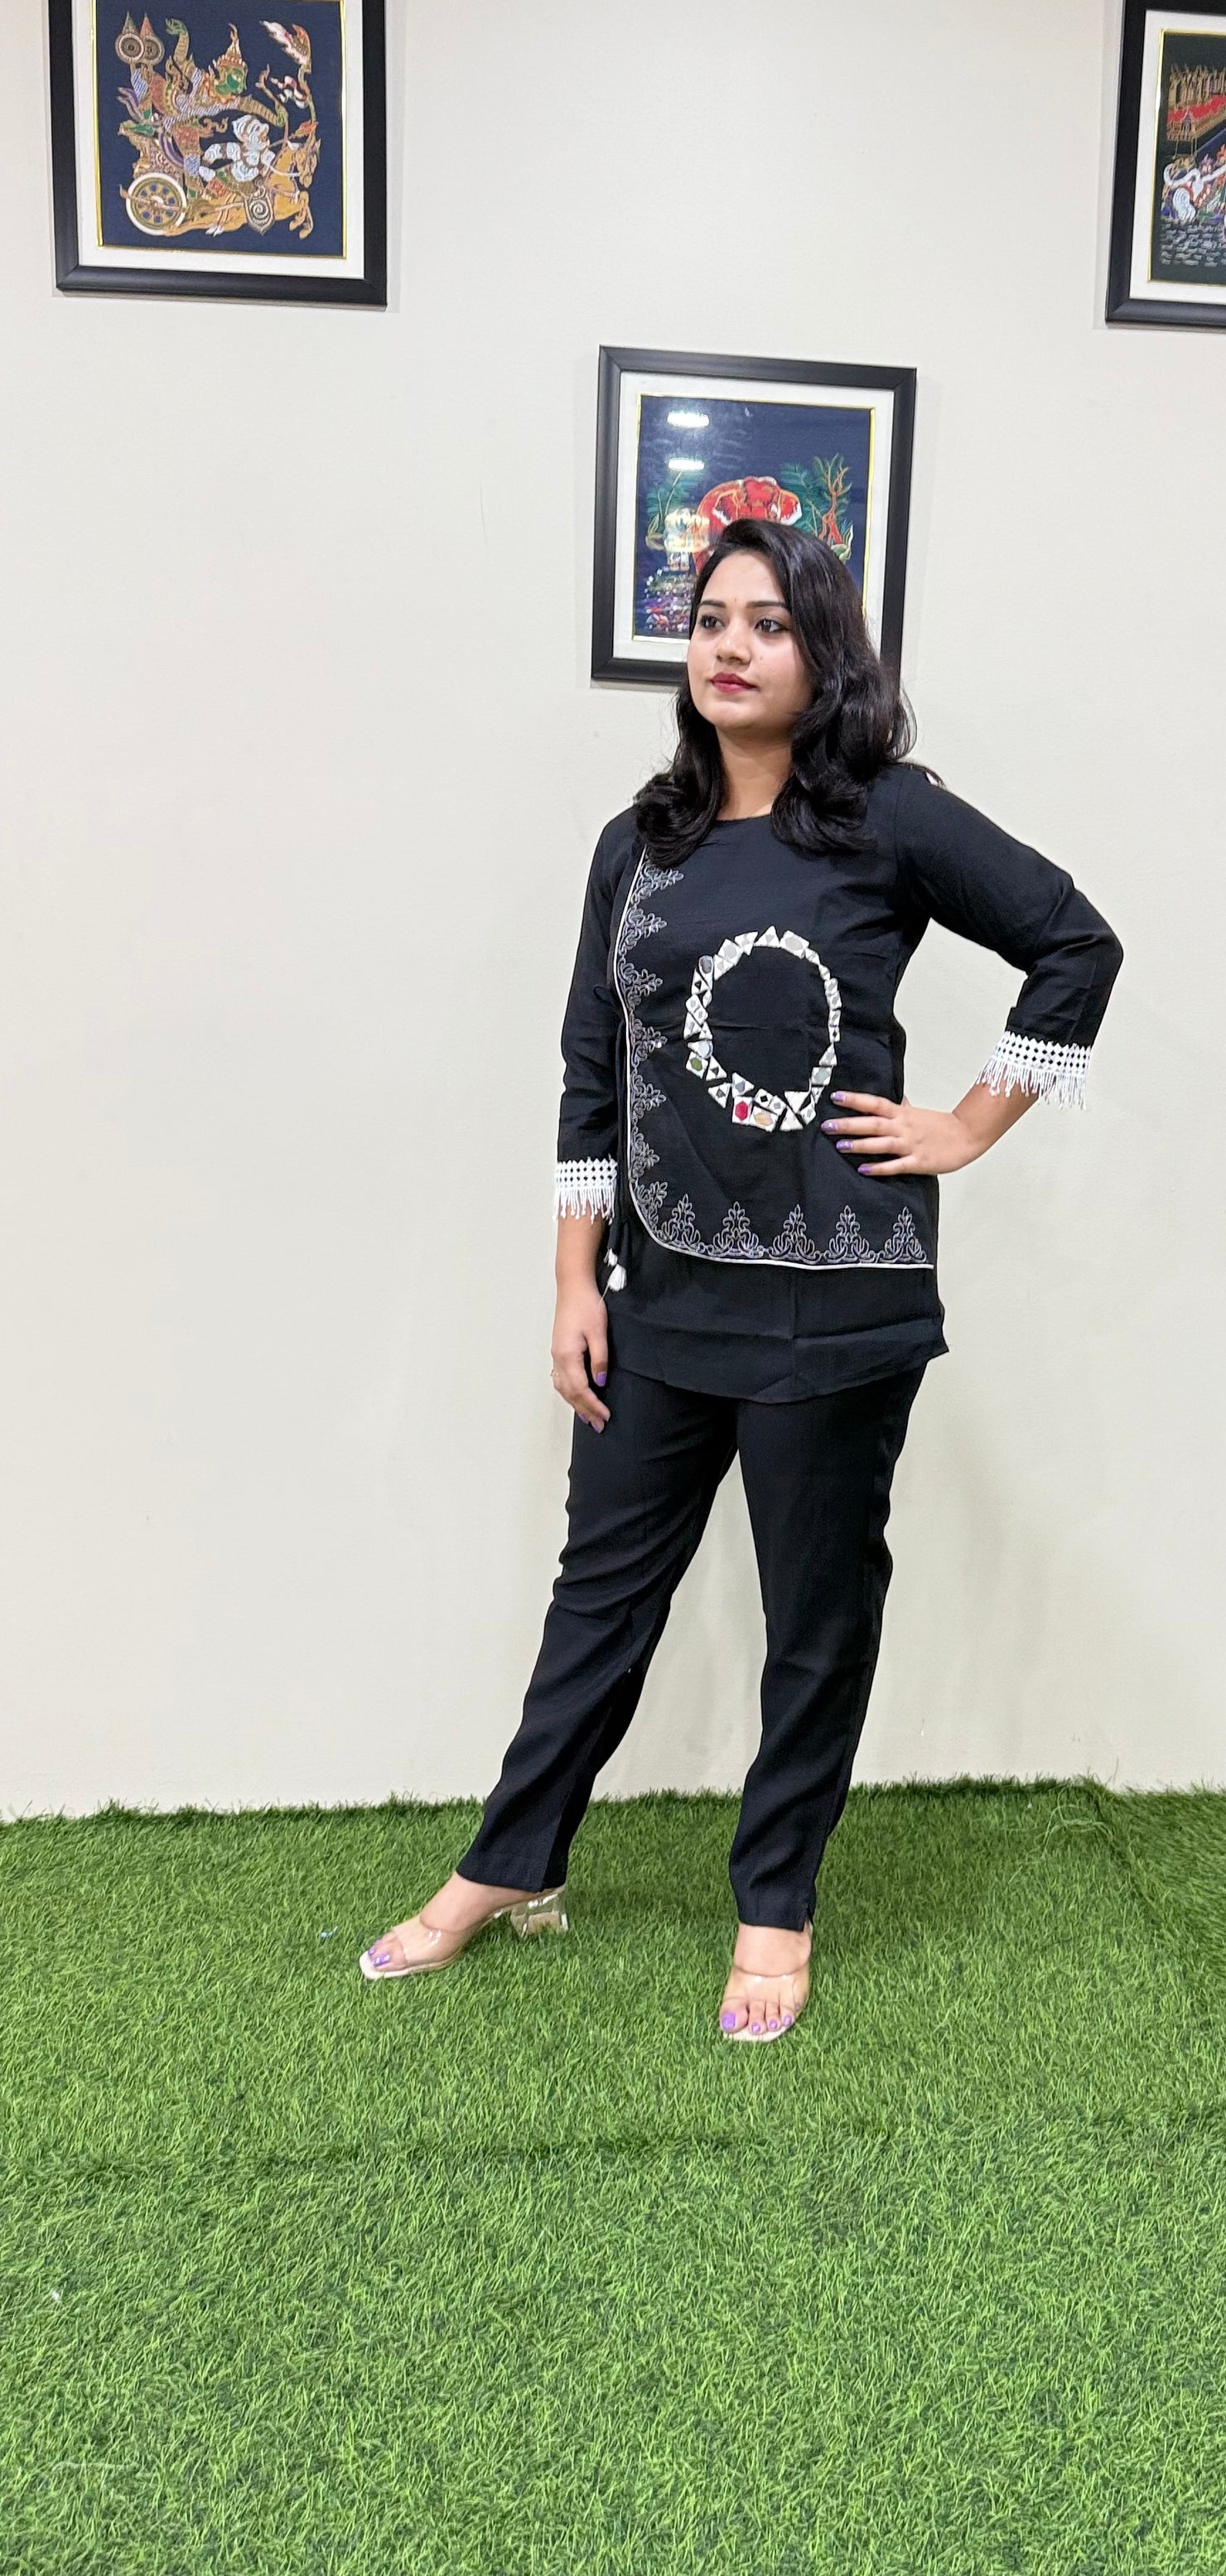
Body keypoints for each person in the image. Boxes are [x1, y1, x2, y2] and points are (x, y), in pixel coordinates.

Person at [360, 520, 1122, 2037]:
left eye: (770, 623)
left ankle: (776, 1903)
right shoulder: (637, 845)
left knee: (812, 1618)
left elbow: (1073, 944)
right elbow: (591, 1067)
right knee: (600, 1600)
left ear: (824, 653)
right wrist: (574, 1282)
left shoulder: (888, 819)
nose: (730, 645)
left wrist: (968, 1124)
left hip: (834, 1307)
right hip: (656, 1300)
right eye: (712, 617)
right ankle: (512, 1862)